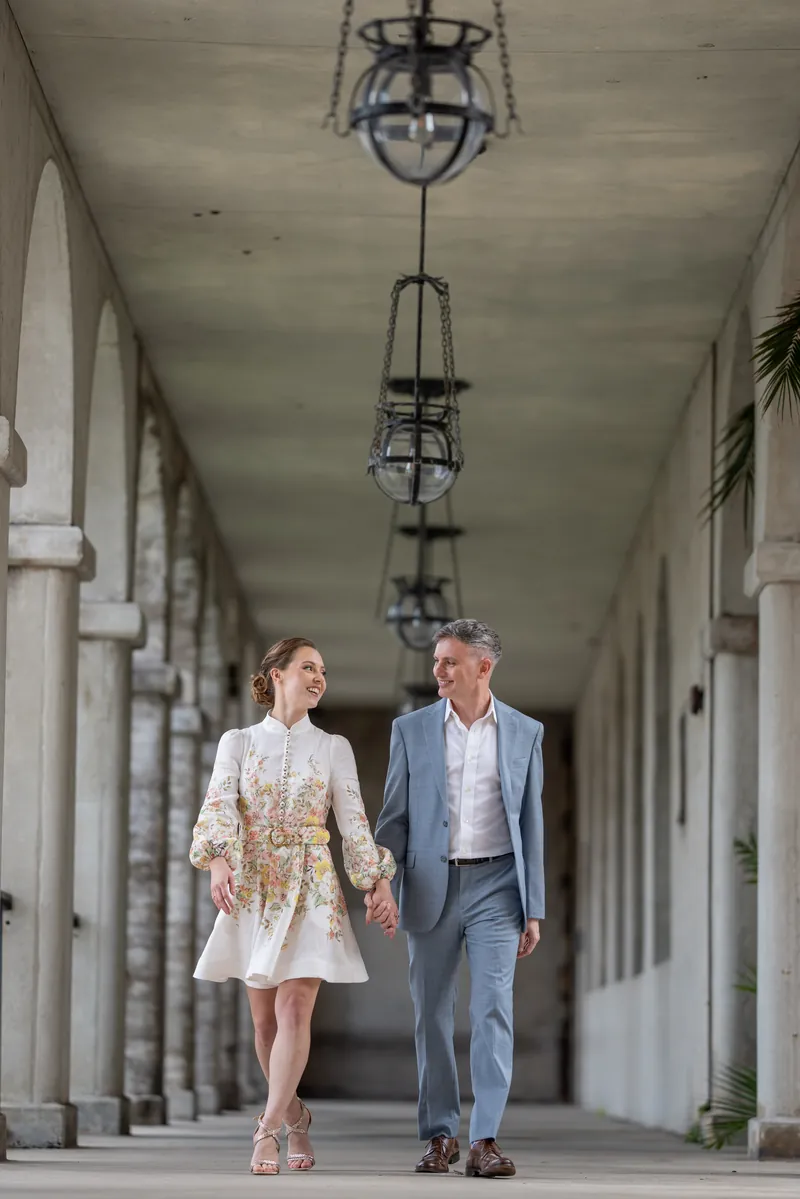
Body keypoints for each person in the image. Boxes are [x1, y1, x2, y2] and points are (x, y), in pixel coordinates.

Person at [190, 637, 398, 1176]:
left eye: (323, 670)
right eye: (308, 667)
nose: (318, 677)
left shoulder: (334, 747)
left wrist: (375, 883)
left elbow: (353, 821)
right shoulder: (236, 741)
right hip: (255, 882)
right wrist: (218, 862)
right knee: (263, 1023)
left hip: (312, 882)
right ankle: (296, 1116)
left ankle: (266, 1130)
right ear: (276, 675)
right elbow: (218, 804)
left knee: (295, 1008)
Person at [369, 619, 544, 1179]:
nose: (437, 670)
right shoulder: (412, 730)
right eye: (437, 660)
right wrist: (380, 882)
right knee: (432, 1015)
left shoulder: (524, 732)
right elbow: (393, 819)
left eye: (449, 661)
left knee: (492, 1008)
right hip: (429, 885)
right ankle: (440, 1135)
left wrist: (533, 906)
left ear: (483, 667)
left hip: (497, 887)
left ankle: (485, 1140)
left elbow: (531, 823)